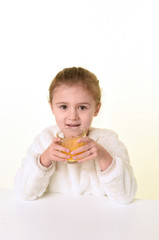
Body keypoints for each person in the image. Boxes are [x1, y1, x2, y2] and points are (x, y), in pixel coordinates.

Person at [14, 67, 137, 203]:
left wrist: (103, 156)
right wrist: (44, 160)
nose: (72, 116)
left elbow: (125, 196)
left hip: (97, 218)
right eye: (63, 107)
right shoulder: (45, 139)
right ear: (52, 108)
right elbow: (23, 193)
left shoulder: (108, 141)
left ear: (96, 109)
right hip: (54, 217)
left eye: (82, 107)